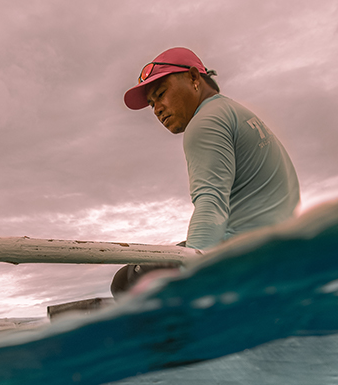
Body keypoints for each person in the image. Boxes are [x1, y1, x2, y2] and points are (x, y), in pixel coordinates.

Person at [111, 47, 300, 295]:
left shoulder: (205, 122)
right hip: (280, 244)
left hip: (244, 252)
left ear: (193, 77)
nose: (156, 109)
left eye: (161, 93)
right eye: (151, 103)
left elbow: (211, 203)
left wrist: (195, 275)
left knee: (124, 281)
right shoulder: (234, 112)